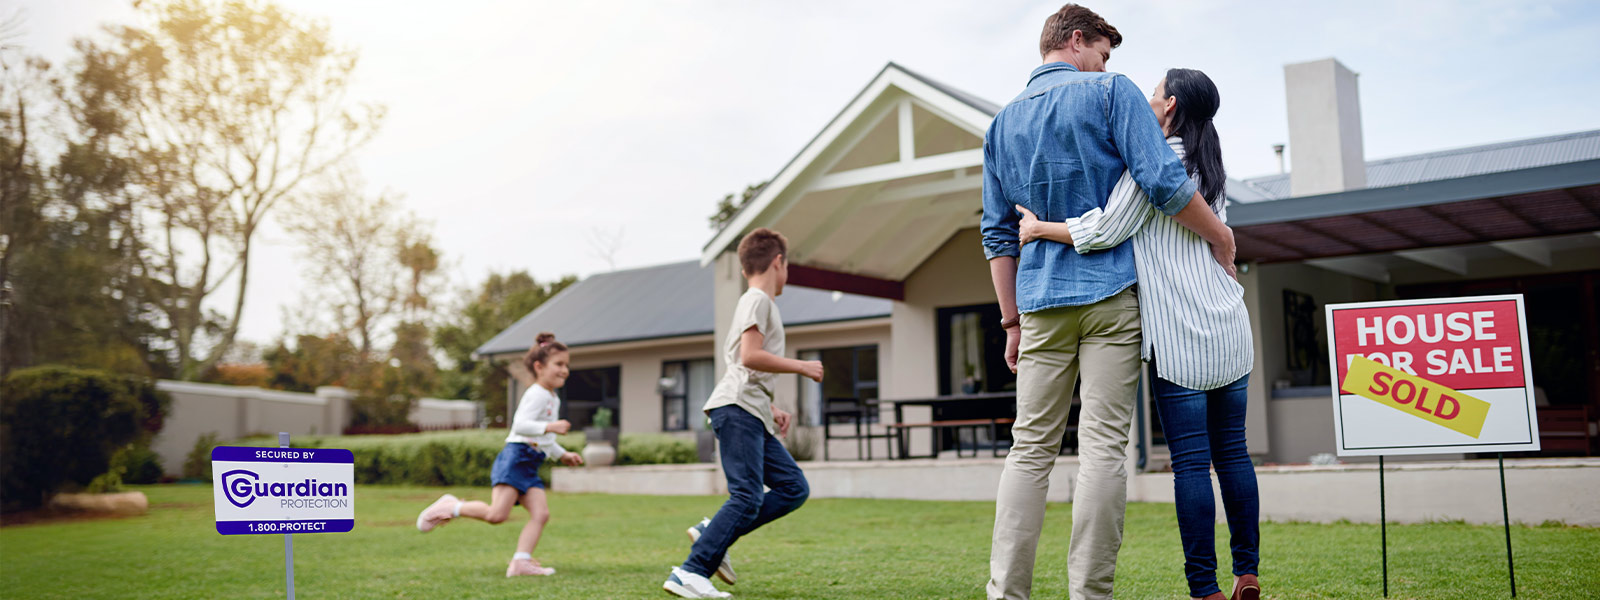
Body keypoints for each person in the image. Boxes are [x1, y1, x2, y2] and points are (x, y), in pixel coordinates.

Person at [979, 5, 1237, 600]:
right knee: (1102, 451)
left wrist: (1011, 322)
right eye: (1102, 52)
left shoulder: (1001, 124)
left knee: (1029, 450)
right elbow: (1164, 181)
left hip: (1039, 304)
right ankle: (1090, 595)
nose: (1104, 64)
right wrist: (1220, 236)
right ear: (1077, 40)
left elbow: (997, 234)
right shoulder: (1111, 92)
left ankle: (1006, 593)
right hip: (1110, 297)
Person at [663, 227, 823, 599]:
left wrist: (770, 406)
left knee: (793, 488)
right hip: (737, 409)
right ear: (778, 262)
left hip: (750, 407)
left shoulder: (757, 303)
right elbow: (750, 356)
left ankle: (711, 532)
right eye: (787, 265)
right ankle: (691, 572)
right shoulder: (757, 300)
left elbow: (742, 364)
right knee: (747, 496)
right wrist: (801, 366)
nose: (787, 273)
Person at [414, 332, 585, 577]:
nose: (565, 370)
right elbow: (520, 425)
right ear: (539, 367)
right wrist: (550, 426)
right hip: (516, 458)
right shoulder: (536, 393)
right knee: (496, 515)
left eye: (567, 365)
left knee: (541, 514)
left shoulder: (551, 397)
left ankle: (520, 562)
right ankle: (451, 506)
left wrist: (562, 454)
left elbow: (542, 439)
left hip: (530, 463)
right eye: (559, 364)